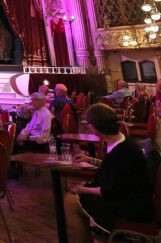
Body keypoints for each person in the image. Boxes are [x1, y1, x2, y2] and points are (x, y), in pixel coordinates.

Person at [63, 104, 153, 243]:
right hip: (130, 196)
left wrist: (83, 189)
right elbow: (115, 168)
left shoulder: (122, 152)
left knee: (70, 201)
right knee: (74, 197)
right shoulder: (120, 140)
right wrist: (91, 160)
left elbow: (109, 191)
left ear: (96, 127)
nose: (89, 127)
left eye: (90, 124)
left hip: (132, 206)